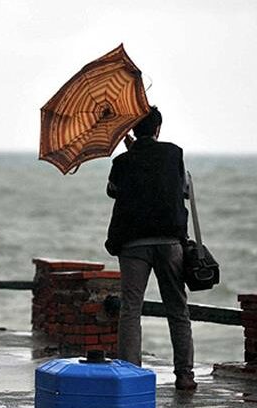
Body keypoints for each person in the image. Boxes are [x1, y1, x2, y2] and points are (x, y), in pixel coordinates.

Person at [105, 106, 197, 391]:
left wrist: (131, 155)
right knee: (177, 309)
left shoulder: (122, 161)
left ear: (132, 130)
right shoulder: (173, 154)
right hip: (169, 242)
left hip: (132, 244)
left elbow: (113, 191)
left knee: (130, 309)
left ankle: (131, 374)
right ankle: (185, 375)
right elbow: (182, 190)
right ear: (157, 129)